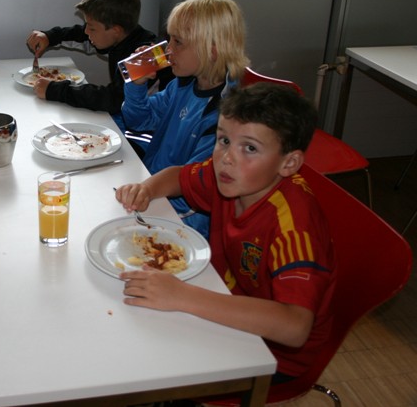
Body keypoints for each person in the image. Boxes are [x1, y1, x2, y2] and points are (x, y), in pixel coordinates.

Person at [115, 83, 336, 386]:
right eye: (224, 140)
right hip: (223, 300)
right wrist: (146, 189)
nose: (227, 158)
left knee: (140, 359)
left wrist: (183, 296)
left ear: (289, 163)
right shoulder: (235, 177)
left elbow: (294, 327)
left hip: (270, 354)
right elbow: (178, 176)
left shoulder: (293, 226)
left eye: (250, 148)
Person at [121, 0, 250, 237]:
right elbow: (138, 121)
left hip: (182, 220)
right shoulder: (182, 85)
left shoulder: (226, 116)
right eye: (169, 39)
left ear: (212, 50)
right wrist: (137, 85)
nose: (168, 49)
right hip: (151, 192)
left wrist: (146, 196)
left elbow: (193, 190)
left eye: (178, 42)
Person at [25, 0, 173, 122]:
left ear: (115, 30)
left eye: (92, 28)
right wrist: (49, 37)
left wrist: (56, 91)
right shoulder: (118, 36)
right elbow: (80, 35)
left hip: (149, 128)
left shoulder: (145, 56)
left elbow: (113, 100)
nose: (86, 31)